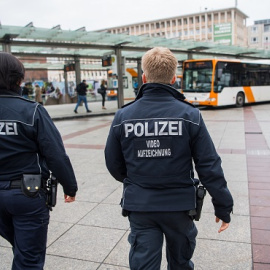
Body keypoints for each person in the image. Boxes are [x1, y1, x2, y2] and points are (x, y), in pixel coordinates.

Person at [105, 47, 233, 270]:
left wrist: (137, 179)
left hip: (141, 205)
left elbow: (113, 162)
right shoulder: (190, 115)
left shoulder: (123, 116)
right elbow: (209, 164)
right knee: (180, 263)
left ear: (144, 77)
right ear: (174, 78)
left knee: (143, 264)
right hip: (180, 206)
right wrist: (223, 205)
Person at [0, 52, 78, 270]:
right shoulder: (32, 111)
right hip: (26, 195)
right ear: (19, 80)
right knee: (29, 258)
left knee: (20, 247)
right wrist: (70, 186)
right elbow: (55, 154)